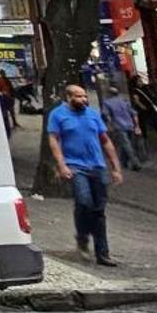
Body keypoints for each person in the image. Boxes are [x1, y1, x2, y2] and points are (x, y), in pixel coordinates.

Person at [46, 82, 122, 266]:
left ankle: (102, 253)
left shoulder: (92, 114)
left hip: (97, 165)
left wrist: (116, 167)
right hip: (75, 166)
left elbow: (105, 140)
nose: (83, 99)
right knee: (84, 201)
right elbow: (54, 140)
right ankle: (82, 237)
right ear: (69, 97)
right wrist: (62, 165)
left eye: (85, 96)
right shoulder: (58, 115)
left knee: (99, 210)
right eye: (79, 96)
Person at [99, 78, 145, 169]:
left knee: (126, 144)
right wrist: (137, 126)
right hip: (130, 125)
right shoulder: (124, 101)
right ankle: (123, 162)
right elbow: (134, 113)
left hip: (119, 126)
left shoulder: (106, 102)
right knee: (127, 144)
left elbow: (106, 115)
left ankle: (135, 162)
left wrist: (109, 125)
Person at [0, 70, 16, 136]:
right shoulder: (1, 81)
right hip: (1, 111)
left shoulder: (5, 80)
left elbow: (10, 88)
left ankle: (13, 124)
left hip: (6, 102)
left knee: (7, 118)